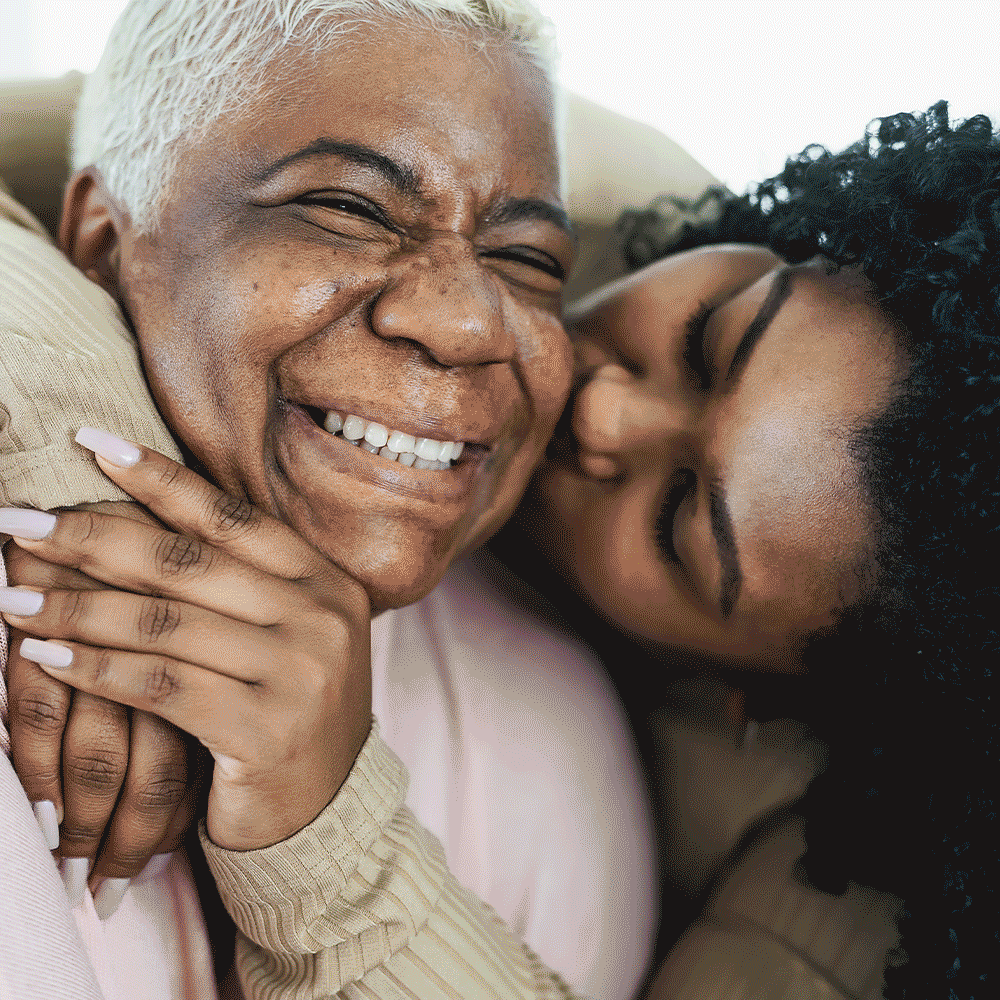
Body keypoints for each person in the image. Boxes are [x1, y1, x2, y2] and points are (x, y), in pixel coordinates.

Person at [17, 100, 994, 999]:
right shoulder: (562, 171)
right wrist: (84, 450)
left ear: (739, 691)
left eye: (678, 523)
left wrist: (326, 832)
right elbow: (120, 142)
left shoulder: (831, 890)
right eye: (709, 339)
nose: (606, 407)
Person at [0, 2, 658, 998]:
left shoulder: (551, 739)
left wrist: (329, 853)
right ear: (98, 241)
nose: (466, 321)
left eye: (528, 261)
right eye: (349, 207)